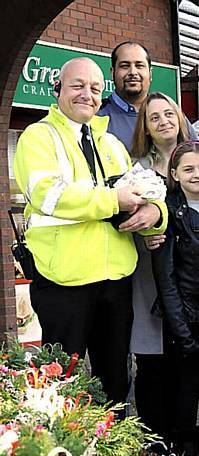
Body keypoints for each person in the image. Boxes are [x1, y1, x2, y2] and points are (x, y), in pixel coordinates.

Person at [13, 57, 167, 406]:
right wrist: (115, 200)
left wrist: (156, 213)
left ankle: (112, 455)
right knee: (56, 385)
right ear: (58, 90)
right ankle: (58, 455)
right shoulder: (38, 137)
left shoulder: (112, 144)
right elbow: (48, 195)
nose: (88, 94)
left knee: (115, 384)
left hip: (115, 281)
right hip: (64, 280)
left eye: (95, 89)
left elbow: (148, 190)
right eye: (78, 86)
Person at [152, 141, 199, 456]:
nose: (197, 174)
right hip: (182, 313)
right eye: (188, 169)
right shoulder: (167, 211)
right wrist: (180, 325)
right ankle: (182, 451)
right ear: (174, 174)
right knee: (184, 386)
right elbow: (166, 277)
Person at [129, 93, 191, 442]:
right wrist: (146, 233)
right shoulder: (138, 170)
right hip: (151, 274)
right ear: (147, 129)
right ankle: (155, 438)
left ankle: (186, 439)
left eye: (169, 113)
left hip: (192, 274)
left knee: (188, 361)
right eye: (155, 118)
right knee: (152, 361)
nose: (164, 120)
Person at [98, 41, 197, 153]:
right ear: (112, 72)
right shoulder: (97, 116)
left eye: (139, 65)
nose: (133, 72)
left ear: (150, 73)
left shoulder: (174, 116)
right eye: (125, 66)